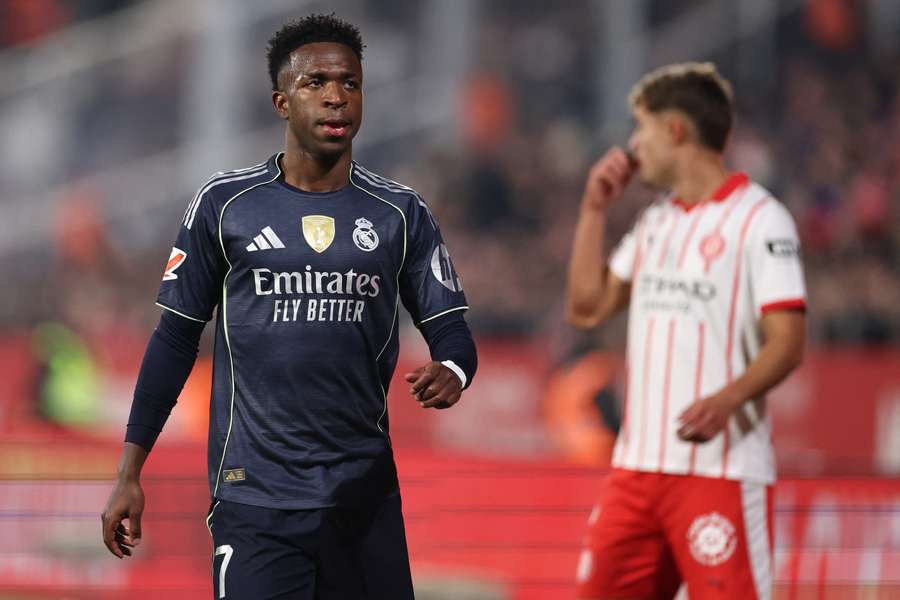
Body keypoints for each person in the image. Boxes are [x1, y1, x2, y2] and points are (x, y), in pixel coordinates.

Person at [100, 14, 477, 599]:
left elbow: (450, 330)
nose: (335, 96)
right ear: (281, 100)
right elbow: (174, 340)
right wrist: (130, 471)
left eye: (350, 83)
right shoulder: (225, 205)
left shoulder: (400, 214)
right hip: (255, 501)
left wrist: (452, 369)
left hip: (363, 500)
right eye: (316, 82)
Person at [565, 62, 806, 599]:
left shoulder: (762, 220)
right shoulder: (657, 221)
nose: (633, 145)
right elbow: (586, 308)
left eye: (642, 127)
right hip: (635, 471)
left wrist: (727, 399)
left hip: (719, 471)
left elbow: (788, 342)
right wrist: (593, 209)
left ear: (675, 131)